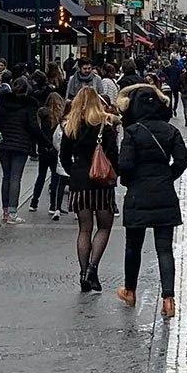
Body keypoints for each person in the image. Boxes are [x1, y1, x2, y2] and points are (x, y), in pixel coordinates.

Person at [115, 84, 187, 319]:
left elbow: (124, 165)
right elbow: (182, 159)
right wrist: (168, 176)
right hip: (164, 193)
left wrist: (129, 180)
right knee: (164, 249)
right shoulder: (170, 131)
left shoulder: (133, 132)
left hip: (138, 193)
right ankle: (168, 300)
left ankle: (130, 291)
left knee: (133, 247)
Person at [60, 87, 120, 292]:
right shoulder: (106, 124)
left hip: (79, 183)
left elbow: (64, 157)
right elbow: (113, 154)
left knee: (84, 229)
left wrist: (74, 172)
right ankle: (93, 269)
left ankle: (83, 272)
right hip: (102, 183)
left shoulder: (71, 126)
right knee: (104, 227)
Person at [0, 76, 47, 226]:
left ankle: (5, 210)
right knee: (16, 177)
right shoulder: (28, 106)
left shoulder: (3, 103)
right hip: (21, 145)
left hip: (4, 143)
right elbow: (33, 127)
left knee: (6, 177)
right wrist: (45, 142)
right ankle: (13, 212)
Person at [30, 93, 68, 217]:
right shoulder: (60, 117)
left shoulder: (43, 114)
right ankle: (53, 205)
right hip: (54, 150)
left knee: (41, 175)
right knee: (55, 177)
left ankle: (34, 202)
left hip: (43, 149)